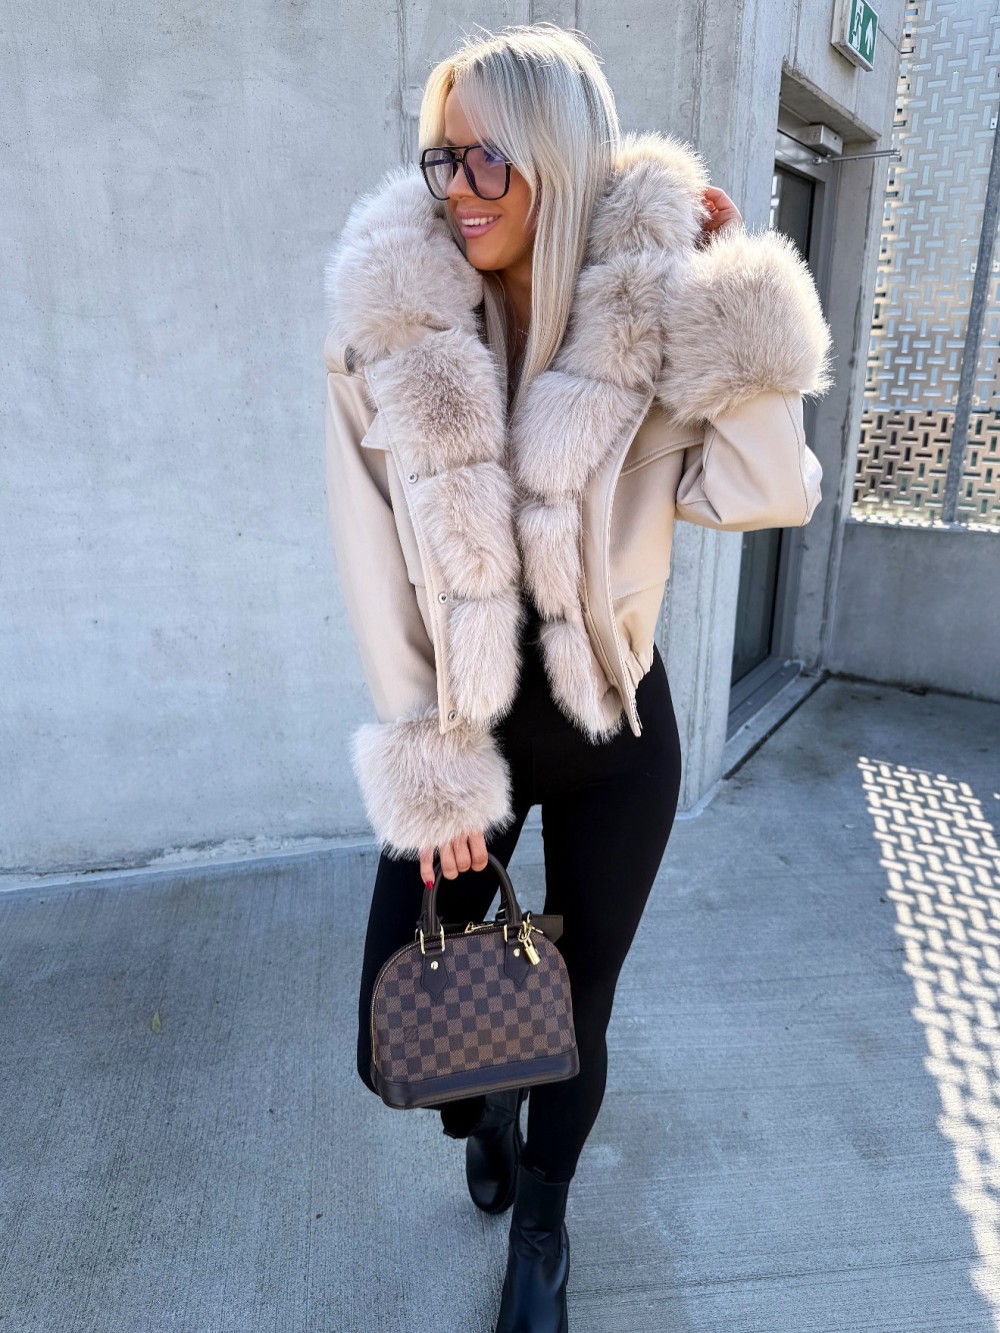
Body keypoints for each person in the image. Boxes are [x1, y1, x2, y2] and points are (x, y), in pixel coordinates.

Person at [322, 22, 833, 1332]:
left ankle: (542, 1235)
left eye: (490, 158)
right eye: (445, 159)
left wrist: (732, 299)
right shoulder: (390, 326)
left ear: (558, 159)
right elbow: (376, 567)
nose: (461, 188)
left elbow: (770, 489)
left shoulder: (645, 318)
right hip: (469, 728)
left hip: (616, 723)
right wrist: (435, 779)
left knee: (578, 1007)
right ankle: (482, 1109)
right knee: (402, 1035)